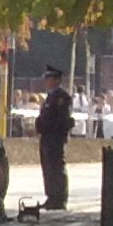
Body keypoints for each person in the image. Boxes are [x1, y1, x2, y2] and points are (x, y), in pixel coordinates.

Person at [35, 66, 75, 211]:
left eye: (49, 78)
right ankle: (51, 196)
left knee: (57, 167)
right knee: (48, 168)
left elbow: (61, 119)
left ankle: (59, 199)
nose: (46, 81)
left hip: (55, 138)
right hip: (46, 137)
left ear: (57, 80)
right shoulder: (50, 97)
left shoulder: (61, 97)